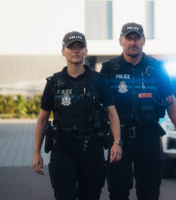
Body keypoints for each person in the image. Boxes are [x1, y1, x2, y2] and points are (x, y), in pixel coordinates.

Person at [101, 22, 176, 200]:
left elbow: (171, 102)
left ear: (143, 41)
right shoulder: (109, 68)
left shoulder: (157, 68)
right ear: (120, 41)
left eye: (137, 38)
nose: (133, 43)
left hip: (148, 137)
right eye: (128, 38)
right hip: (119, 138)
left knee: (149, 191)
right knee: (117, 191)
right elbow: (101, 105)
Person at [32, 31, 122, 200]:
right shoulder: (54, 82)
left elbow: (112, 113)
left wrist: (117, 142)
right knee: (64, 196)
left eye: (80, 47)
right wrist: (36, 152)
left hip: (92, 150)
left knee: (90, 196)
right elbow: (42, 119)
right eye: (71, 47)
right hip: (62, 150)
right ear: (63, 51)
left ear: (86, 51)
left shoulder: (99, 80)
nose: (76, 51)